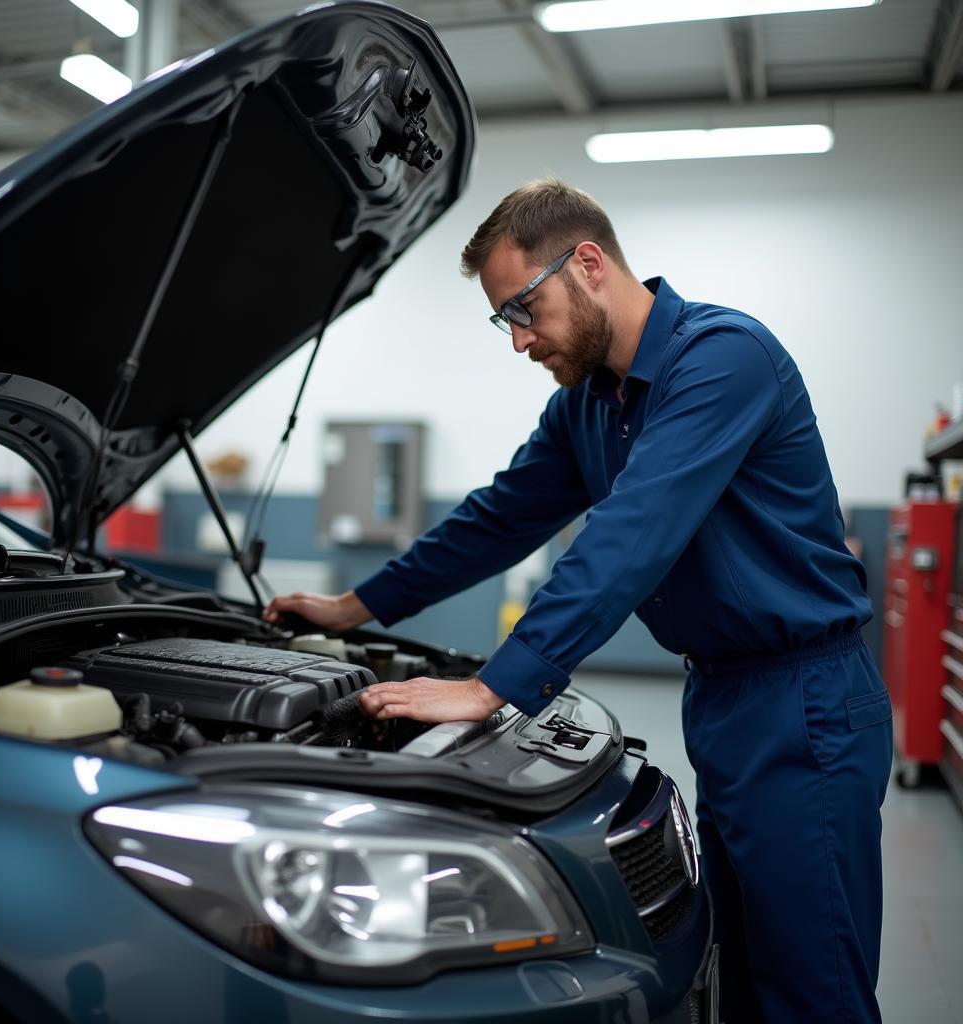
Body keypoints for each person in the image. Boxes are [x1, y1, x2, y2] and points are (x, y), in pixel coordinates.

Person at [263, 179, 893, 1023]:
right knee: (742, 973)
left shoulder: (723, 358)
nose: (519, 341)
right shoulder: (587, 404)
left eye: (524, 308)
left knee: (813, 987)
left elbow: (635, 531)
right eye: (504, 320)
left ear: (588, 263)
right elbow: (496, 519)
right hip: (722, 697)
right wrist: (354, 607)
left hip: (805, 702)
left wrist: (497, 685)